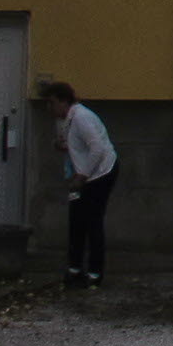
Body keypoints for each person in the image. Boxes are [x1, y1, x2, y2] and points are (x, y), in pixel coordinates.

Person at [39, 81, 119, 284]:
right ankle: (74, 269)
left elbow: (98, 149)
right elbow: (69, 144)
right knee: (76, 221)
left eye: (52, 103)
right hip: (81, 173)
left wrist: (81, 177)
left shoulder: (82, 118)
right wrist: (60, 146)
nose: (49, 108)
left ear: (65, 101)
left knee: (92, 221)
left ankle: (94, 273)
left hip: (100, 173)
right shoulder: (64, 119)